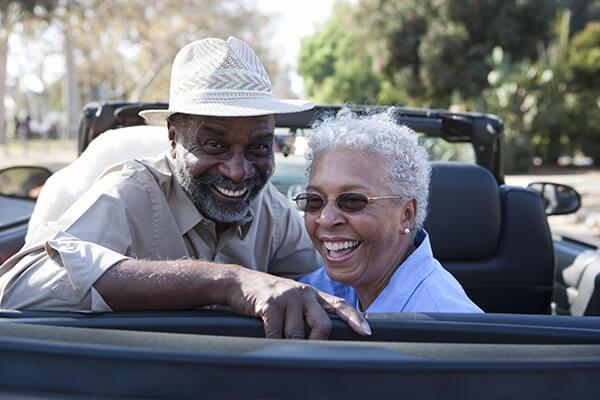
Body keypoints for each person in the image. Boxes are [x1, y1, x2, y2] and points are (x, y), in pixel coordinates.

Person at [0, 37, 371, 339]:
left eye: (258, 147)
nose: (240, 172)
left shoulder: (271, 210)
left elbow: (335, 279)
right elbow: (19, 285)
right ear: (174, 139)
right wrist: (225, 282)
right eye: (215, 145)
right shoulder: (131, 192)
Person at [298, 111, 483, 313]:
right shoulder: (314, 289)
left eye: (353, 200)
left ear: (406, 215)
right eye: (315, 200)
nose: (326, 219)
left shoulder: (446, 322)